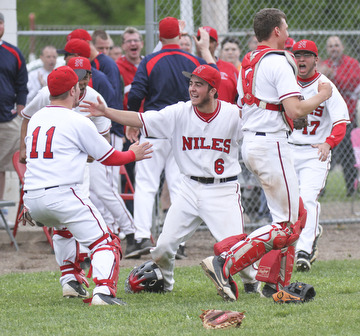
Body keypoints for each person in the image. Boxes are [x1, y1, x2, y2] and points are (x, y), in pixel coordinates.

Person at [81, 64, 259, 294]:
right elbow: (141, 119)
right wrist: (107, 112)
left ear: (213, 90)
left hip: (223, 189)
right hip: (189, 188)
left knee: (236, 247)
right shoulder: (179, 112)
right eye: (191, 83)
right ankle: (166, 283)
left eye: (199, 85)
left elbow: (258, 130)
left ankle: (252, 281)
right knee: (164, 247)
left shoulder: (233, 114)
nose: (192, 89)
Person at [200, 8, 332, 301]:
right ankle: (226, 262)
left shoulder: (250, 60)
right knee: (286, 225)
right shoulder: (277, 62)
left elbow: (264, 105)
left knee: (295, 218)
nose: (287, 33)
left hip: (256, 142)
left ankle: (273, 284)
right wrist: (322, 95)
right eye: (284, 28)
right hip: (271, 144)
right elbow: (295, 109)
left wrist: (289, 116)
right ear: (276, 31)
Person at [23, 65, 152, 305]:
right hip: (63, 194)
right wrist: (133, 154)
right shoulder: (76, 120)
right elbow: (109, 157)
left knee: (63, 228)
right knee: (106, 242)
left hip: (32, 197)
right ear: (73, 90)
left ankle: (70, 280)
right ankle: (103, 292)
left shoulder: (37, 118)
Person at [125, 17, 217, 259]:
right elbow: (213, 81)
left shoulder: (150, 60)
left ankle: (141, 237)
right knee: (178, 186)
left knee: (146, 185)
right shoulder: (192, 60)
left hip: (154, 130)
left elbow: (135, 94)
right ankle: (178, 241)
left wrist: (132, 122)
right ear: (180, 35)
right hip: (182, 132)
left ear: (159, 37)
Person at [290, 40, 349, 271]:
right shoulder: (287, 84)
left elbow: (340, 122)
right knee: (289, 204)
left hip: (315, 152)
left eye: (306, 55)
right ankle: (311, 231)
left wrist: (328, 143)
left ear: (316, 60)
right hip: (288, 148)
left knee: (308, 199)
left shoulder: (325, 86)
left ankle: (304, 251)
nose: (301, 60)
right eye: (298, 55)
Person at [318, 36, 360, 196]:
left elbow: (353, 83)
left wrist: (333, 76)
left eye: (336, 45)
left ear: (342, 47)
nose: (334, 48)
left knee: (348, 156)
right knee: (325, 154)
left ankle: (351, 190)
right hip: (327, 121)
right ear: (327, 50)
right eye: (330, 46)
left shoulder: (352, 64)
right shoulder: (325, 65)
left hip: (346, 118)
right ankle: (320, 189)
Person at [0, 12, 28, 208]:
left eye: (0, 23)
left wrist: (20, 108)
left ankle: (20, 210)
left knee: (13, 164)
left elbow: (21, 83)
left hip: (7, 119)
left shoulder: (14, 53)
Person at [196, 26, 238, 103]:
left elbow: (239, 97)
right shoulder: (190, 64)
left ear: (217, 45)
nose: (205, 43)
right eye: (201, 40)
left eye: (210, 41)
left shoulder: (230, 68)